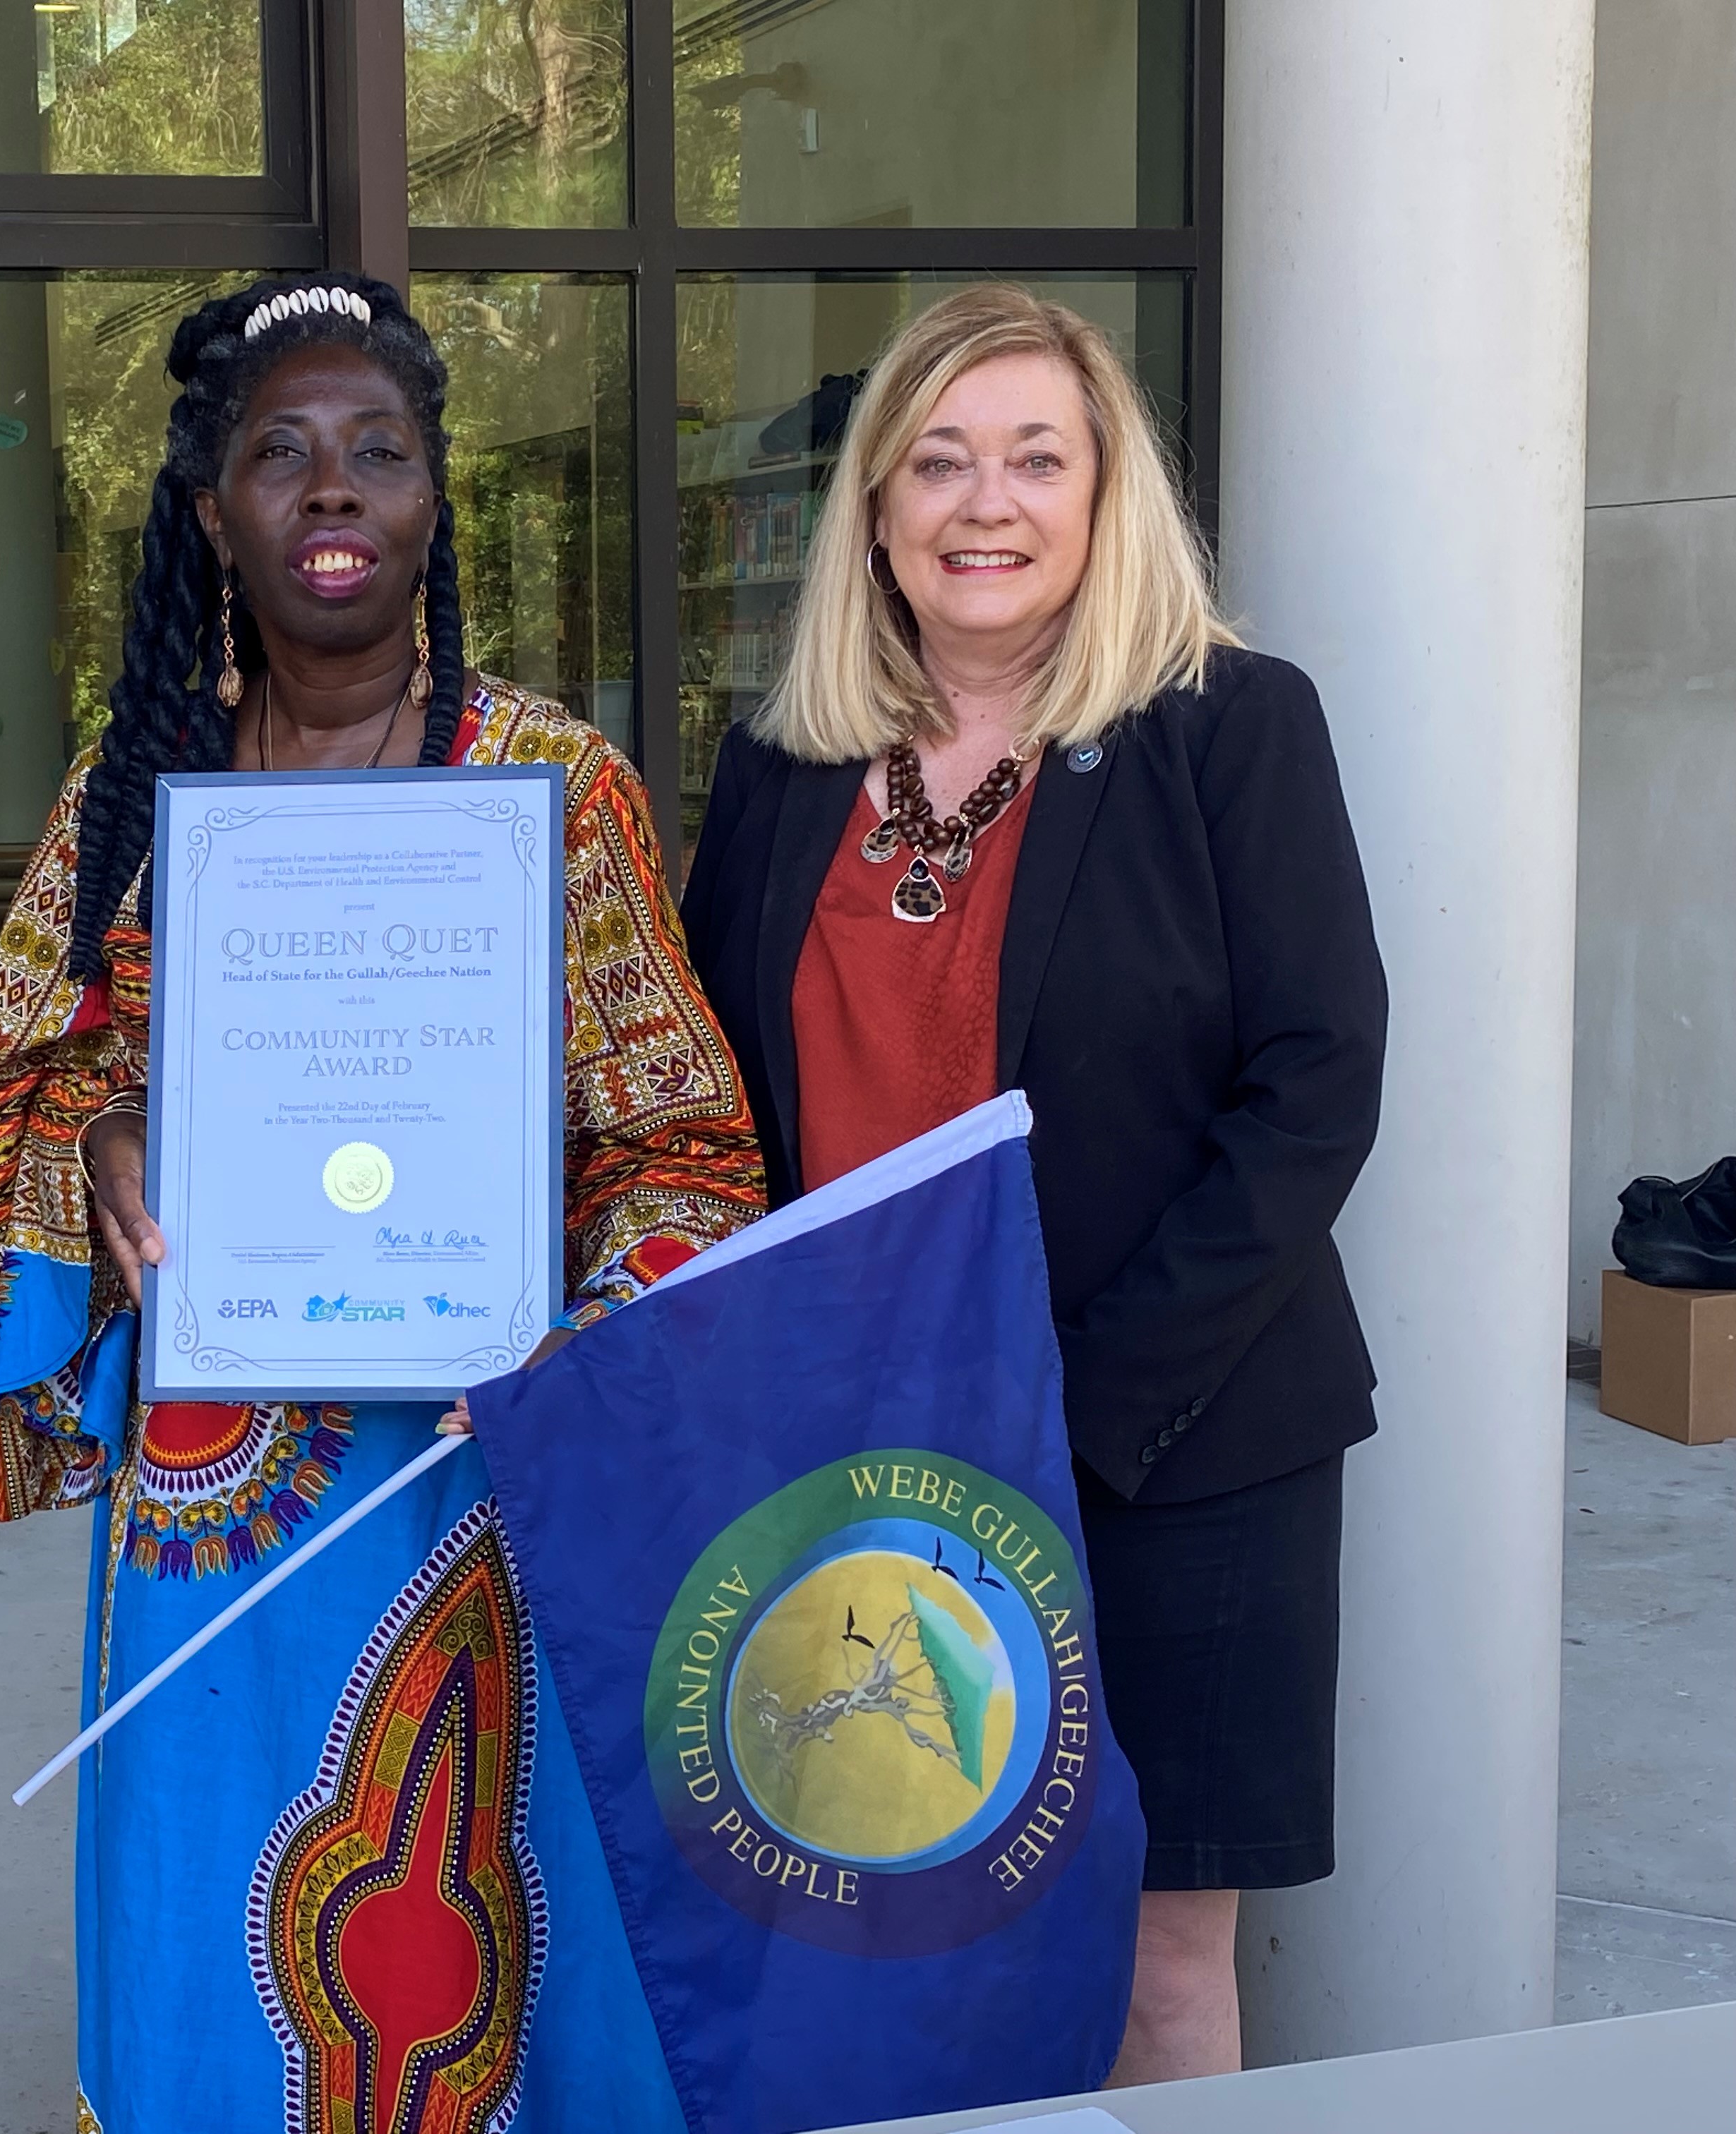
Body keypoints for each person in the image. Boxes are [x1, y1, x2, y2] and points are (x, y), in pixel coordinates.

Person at [0, 275, 768, 2130]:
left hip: (496, 1474)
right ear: (213, 507)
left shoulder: (557, 783)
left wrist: (596, 1335)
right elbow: (10, 1087)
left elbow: (679, 1135)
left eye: (378, 454)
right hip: (211, 1503)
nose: (335, 493)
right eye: (283, 457)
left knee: (504, 1924)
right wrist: (104, 1151)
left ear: (432, 501)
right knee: (209, 1917)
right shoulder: (131, 790)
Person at [677, 286, 1389, 2084]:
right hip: (858, 1468)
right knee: (887, 1924)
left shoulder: (1232, 727)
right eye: (937, 461)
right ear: (875, 511)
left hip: (1177, 1448)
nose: (983, 503)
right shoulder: (779, 771)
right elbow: (706, 1109)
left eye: (1034, 458)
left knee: (1155, 1963)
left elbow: (1316, 1085)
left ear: (1102, 495)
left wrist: (1080, 1401)